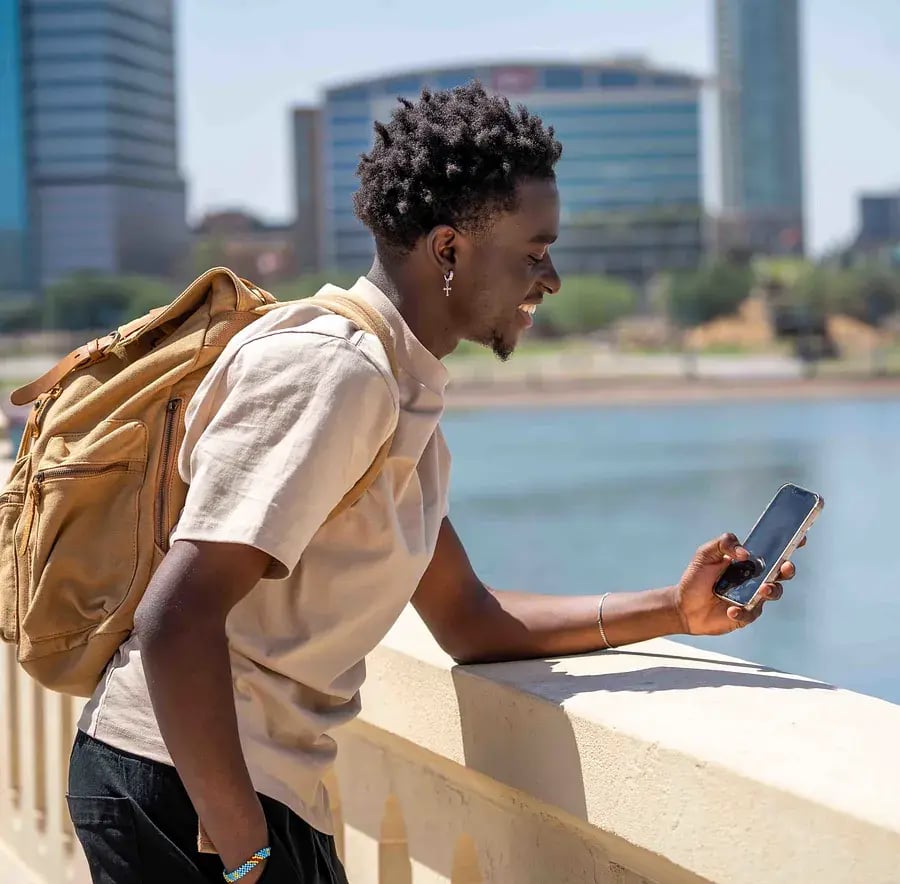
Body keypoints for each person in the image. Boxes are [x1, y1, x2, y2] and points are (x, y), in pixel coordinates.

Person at [67, 82, 797, 884]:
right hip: (188, 795)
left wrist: (675, 608)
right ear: (448, 249)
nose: (548, 280)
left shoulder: (400, 390)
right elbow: (178, 616)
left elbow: (468, 619)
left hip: (229, 792)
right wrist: (248, 854)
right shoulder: (335, 372)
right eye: (533, 252)